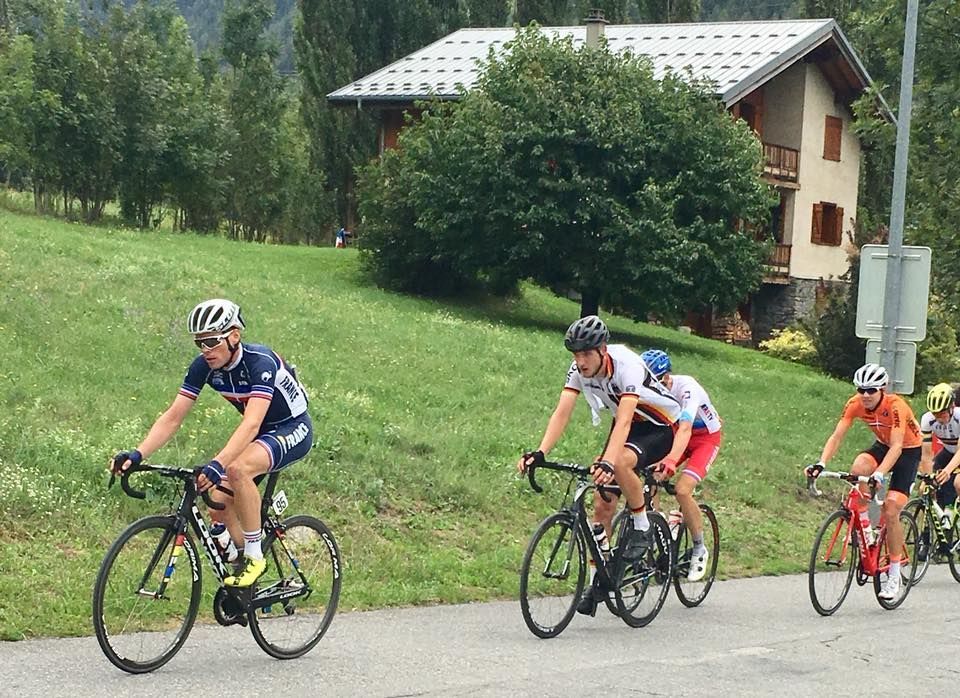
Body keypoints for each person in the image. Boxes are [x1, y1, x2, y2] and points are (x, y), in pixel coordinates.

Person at [110, 299, 312, 587]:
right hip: (260, 432)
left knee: (239, 470)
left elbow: (252, 423)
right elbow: (173, 417)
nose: (205, 350)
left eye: (211, 341)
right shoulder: (204, 367)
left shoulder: (260, 363)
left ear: (234, 336)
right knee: (217, 501)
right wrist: (138, 453)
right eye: (199, 343)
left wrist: (219, 463)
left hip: (292, 427)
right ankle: (246, 567)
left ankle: (256, 557)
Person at [517, 315, 683, 616]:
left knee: (617, 462)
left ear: (602, 350)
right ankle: (600, 582)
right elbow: (562, 411)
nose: (580, 362)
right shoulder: (578, 370)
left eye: (585, 354)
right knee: (602, 503)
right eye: (575, 355)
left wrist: (609, 459)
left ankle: (642, 526)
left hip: (658, 427)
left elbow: (623, 419)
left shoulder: (626, 365)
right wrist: (540, 451)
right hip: (627, 426)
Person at [806, 363, 922, 601]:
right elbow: (837, 435)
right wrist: (821, 462)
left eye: (871, 390)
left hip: (907, 451)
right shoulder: (855, 403)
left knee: (890, 509)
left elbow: (898, 446)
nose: (865, 395)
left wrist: (880, 474)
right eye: (861, 389)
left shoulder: (896, 406)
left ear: (882, 389)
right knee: (858, 468)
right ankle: (867, 531)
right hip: (883, 446)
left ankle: (894, 574)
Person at [640, 349, 722, 582]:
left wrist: (670, 461)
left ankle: (699, 548)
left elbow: (685, 428)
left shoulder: (687, 387)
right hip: (676, 435)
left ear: (666, 377)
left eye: (656, 382)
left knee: (683, 489)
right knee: (651, 478)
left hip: (705, 438)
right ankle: (660, 528)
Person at [919, 383, 960, 513]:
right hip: (948, 451)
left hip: (958, 452)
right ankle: (928, 527)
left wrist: (948, 470)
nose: (939, 418)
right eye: (935, 414)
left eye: (942, 414)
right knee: (923, 489)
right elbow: (926, 454)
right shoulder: (927, 420)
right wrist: (927, 477)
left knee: (958, 483)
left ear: (952, 407)